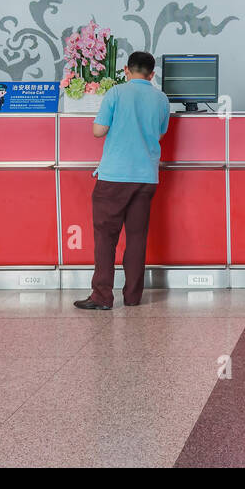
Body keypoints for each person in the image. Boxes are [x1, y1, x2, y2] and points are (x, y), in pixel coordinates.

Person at [75, 51, 171, 310]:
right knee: (137, 236)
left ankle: (102, 297)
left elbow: (99, 131)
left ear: (127, 70)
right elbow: (160, 134)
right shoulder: (162, 99)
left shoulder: (116, 93)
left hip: (115, 177)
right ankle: (133, 297)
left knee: (106, 237)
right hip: (146, 177)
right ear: (152, 75)